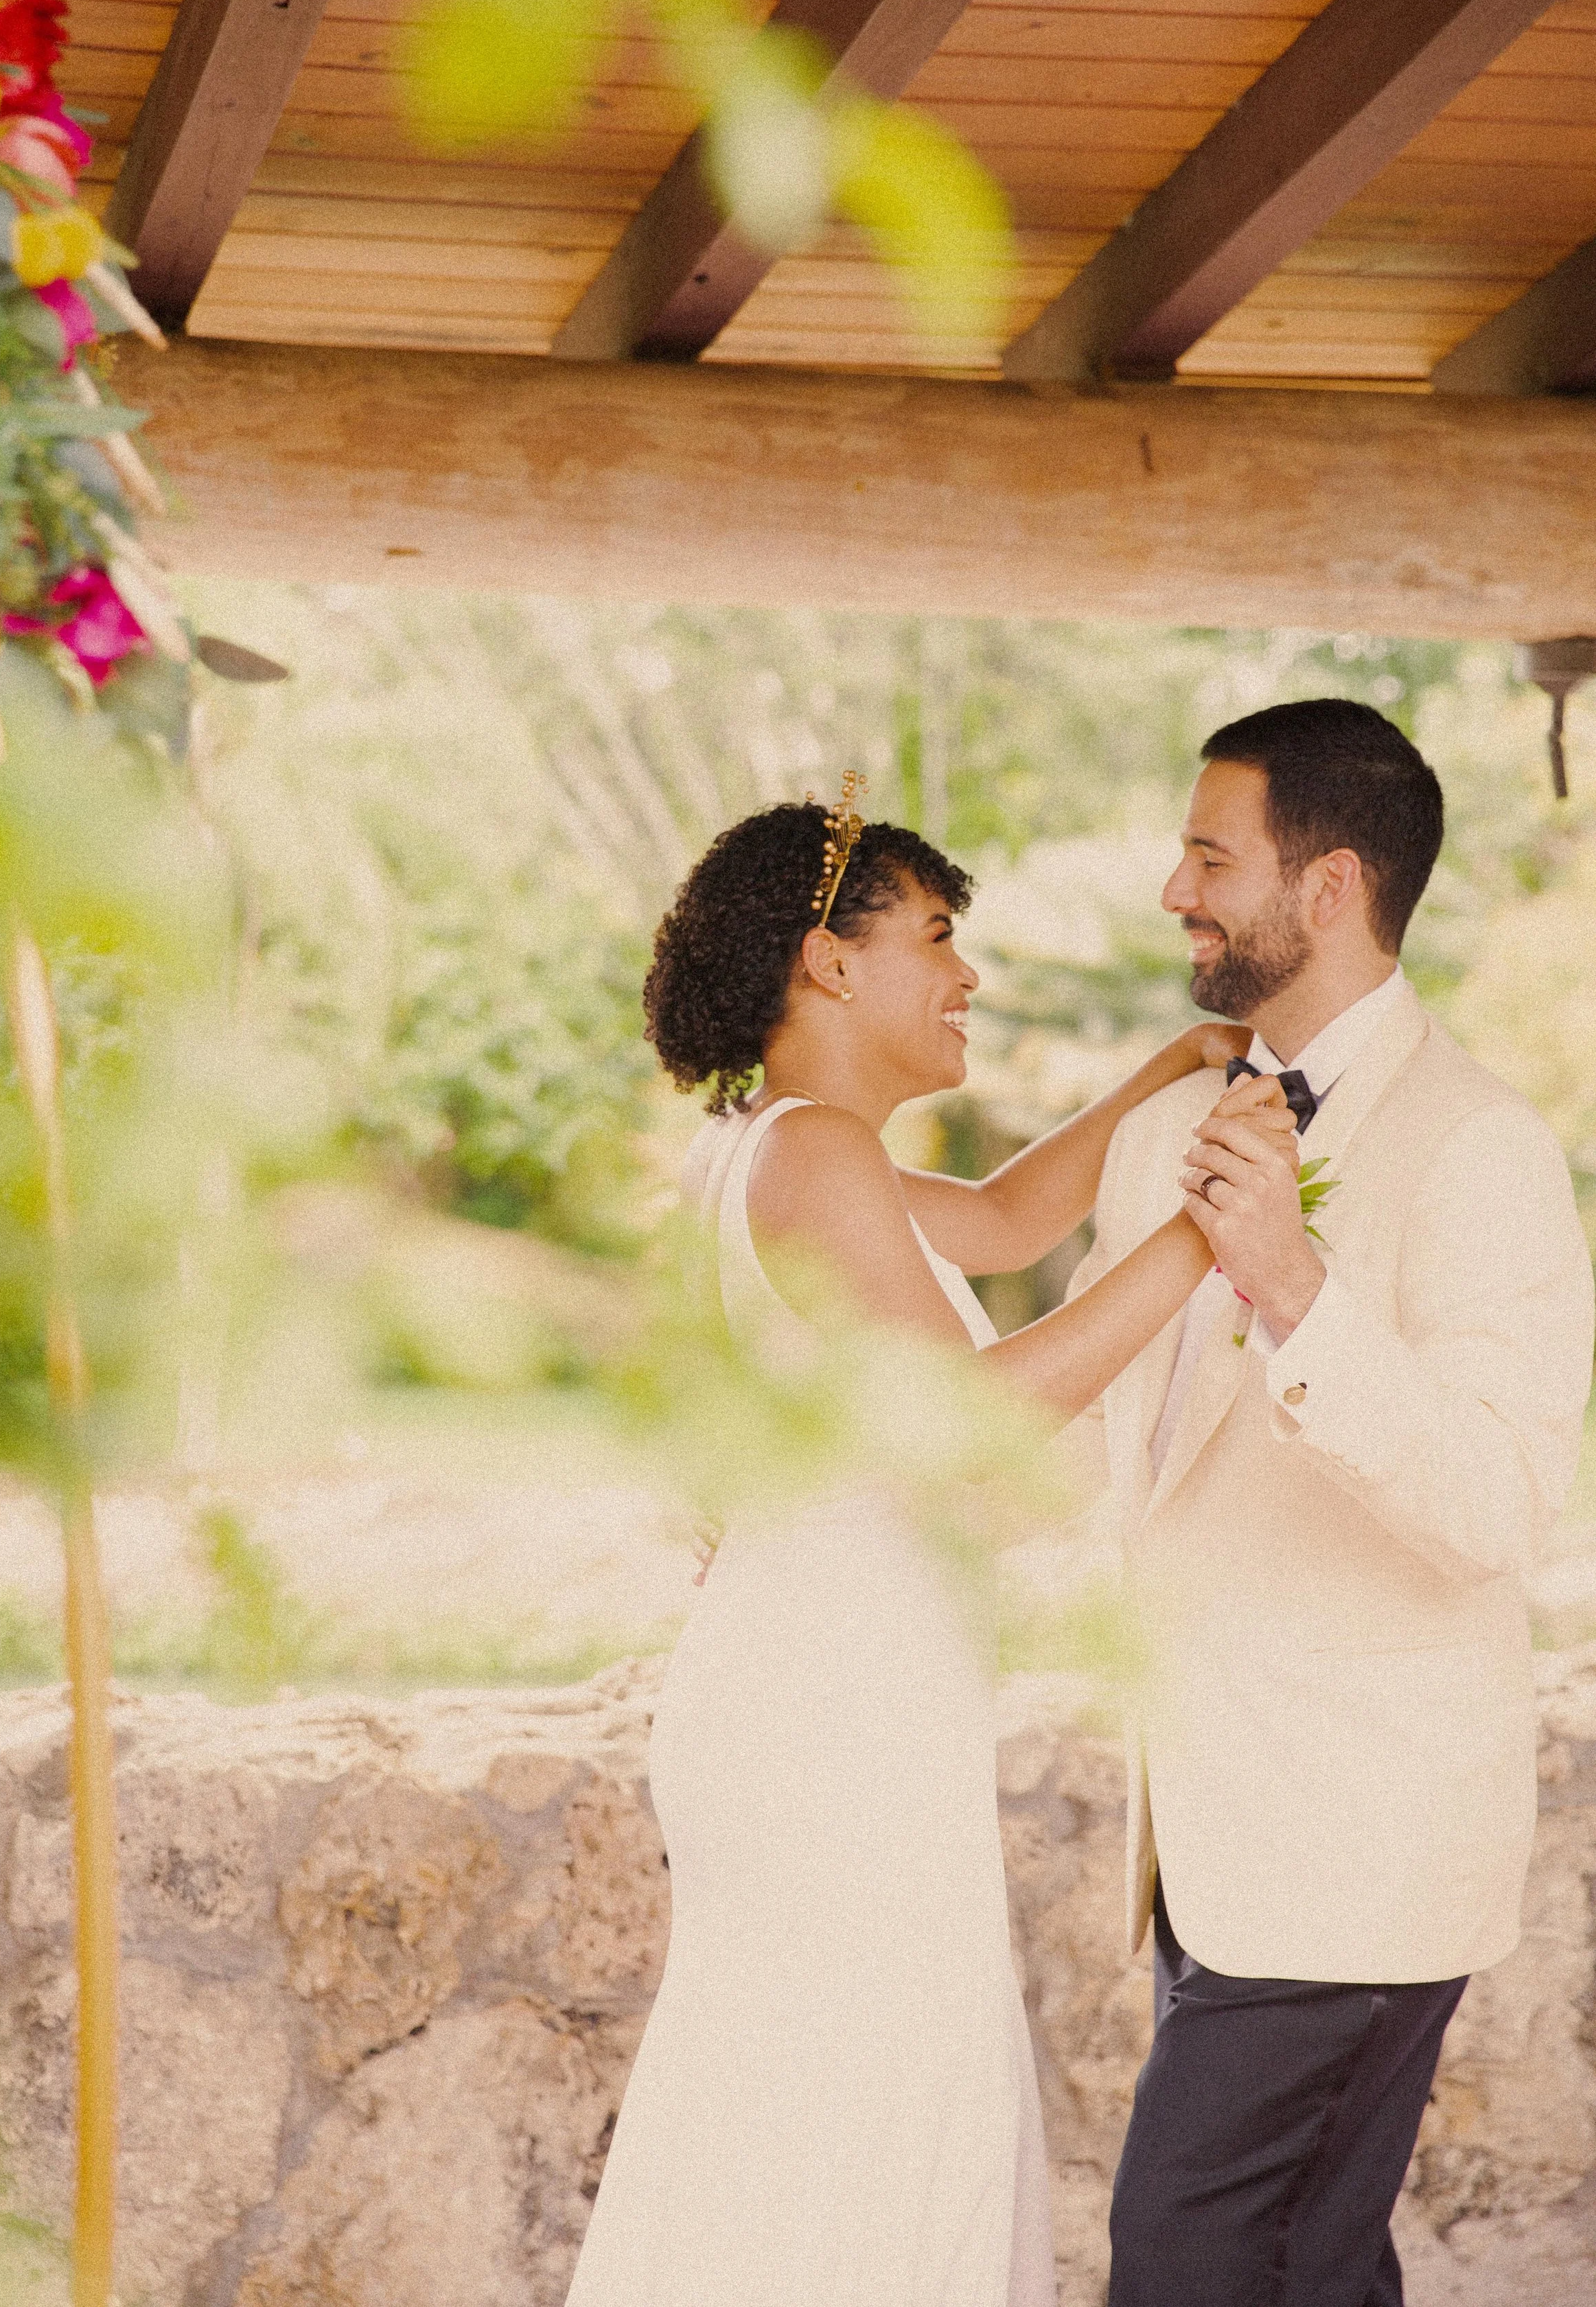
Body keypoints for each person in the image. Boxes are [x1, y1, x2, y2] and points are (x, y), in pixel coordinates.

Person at [564, 793, 1291, 2307]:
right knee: (871, 2109)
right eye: (938, 938)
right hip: (832, 1720)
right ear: (828, 964)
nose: (965, 978)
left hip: (821, 1697)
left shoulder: (770, 1148)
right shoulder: (812, 1148)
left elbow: (1013, 1212)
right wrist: (1210, 1232)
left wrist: (1165, 1071)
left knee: (817, 2113)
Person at [1065, 699, 1595, 2307]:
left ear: (1328, 884)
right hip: (1205, 1832)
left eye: (1206, 853)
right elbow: (1111, 1432)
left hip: (1359, 1841)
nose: (1172, 889)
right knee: (1295, 2266)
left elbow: (1501, 1503)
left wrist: (1297, 1297)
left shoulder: (1480, 1147)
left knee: (1187, 2255)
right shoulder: (1162, 1125)